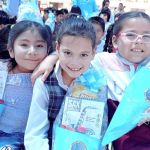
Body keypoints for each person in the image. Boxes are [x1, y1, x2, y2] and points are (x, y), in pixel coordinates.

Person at [31, 11, 150, 150]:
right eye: (131, 35)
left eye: (147, 36)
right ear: (114, 40)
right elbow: (78, 51)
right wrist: (51, 59)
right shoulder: (103, 62)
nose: (139, 40)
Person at [25, 14, 108, 150]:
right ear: (57, 48)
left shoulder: (101, 80)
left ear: (93, 53)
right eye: (68, 53)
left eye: (83, 55)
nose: (75, 62)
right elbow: (35, 134)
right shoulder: (45, 82)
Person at [0, 20, 51, 149]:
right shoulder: (3, 71)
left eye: (39, 46)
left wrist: (53, 58)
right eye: (24, 45)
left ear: (48, 49)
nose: (32, 51)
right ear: (11, 50)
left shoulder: (48, 75)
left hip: (30, 137)